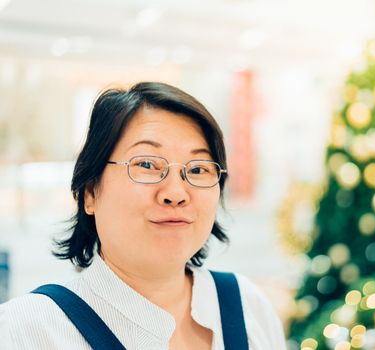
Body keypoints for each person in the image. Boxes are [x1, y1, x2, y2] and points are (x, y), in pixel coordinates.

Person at [0, 82, 287, 349]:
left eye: (198, 169)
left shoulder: (247, 308)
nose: (176, 192)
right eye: (147, 164)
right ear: (90, 193)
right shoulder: (25, 331)